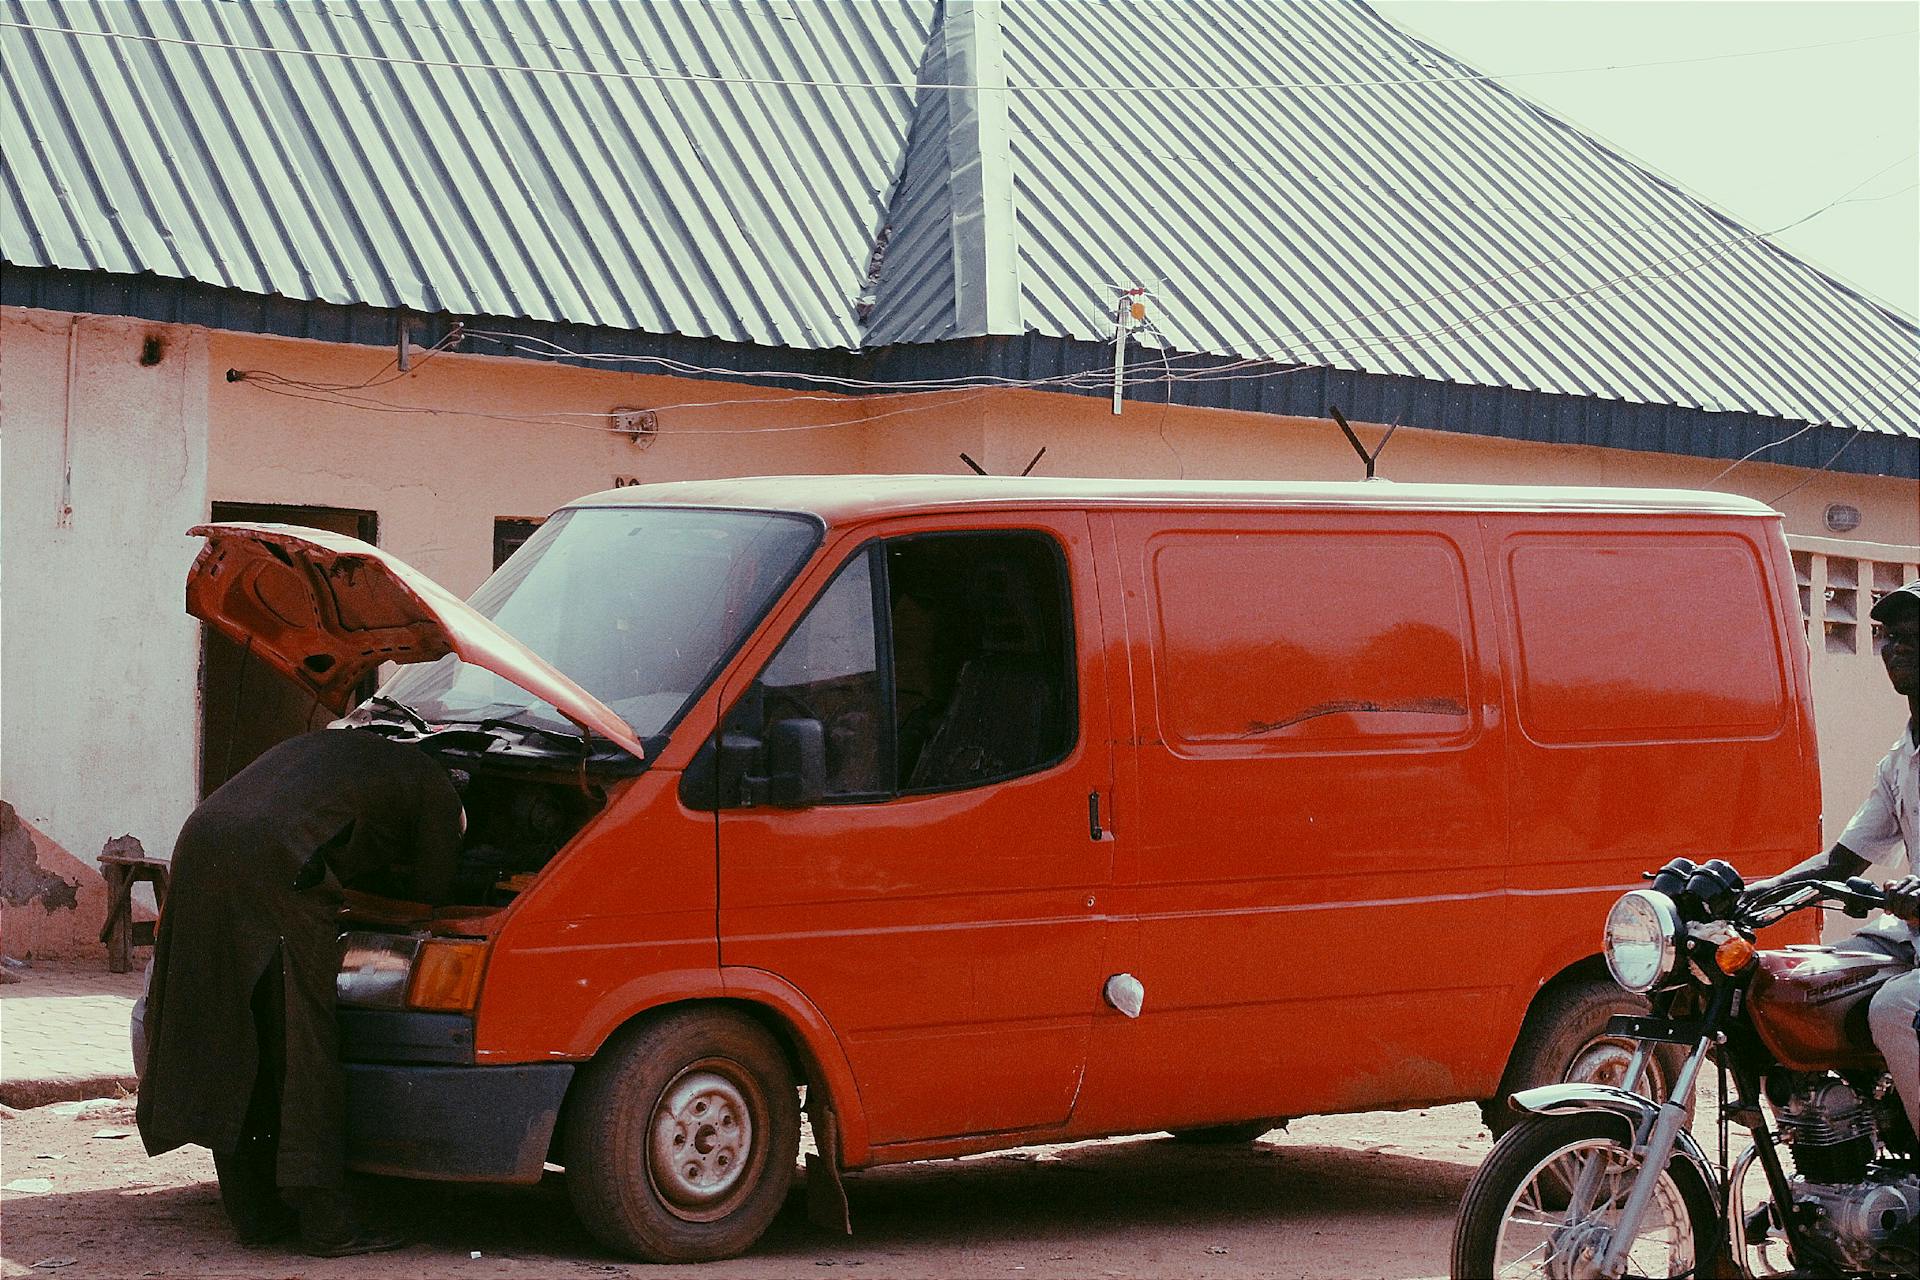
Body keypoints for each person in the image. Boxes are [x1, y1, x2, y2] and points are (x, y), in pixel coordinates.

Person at [134, 729, 465, 1255]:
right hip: (276, 859)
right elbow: (432, 894)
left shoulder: (338, 747)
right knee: (301, 1043)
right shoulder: (436, 787)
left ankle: (255, 1215)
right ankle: (327, 1223)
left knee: (231, 1029)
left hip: (201, 843)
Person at [1752, 579, 1920, 1139]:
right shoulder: (1901, 759)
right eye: (1889, 637)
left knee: (1894, 1008)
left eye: (1913, 634)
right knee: (1799, 984)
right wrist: (1755, 893)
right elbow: (1840, 863)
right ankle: (1828, 1154)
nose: (1896, 646)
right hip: (1910, 934)